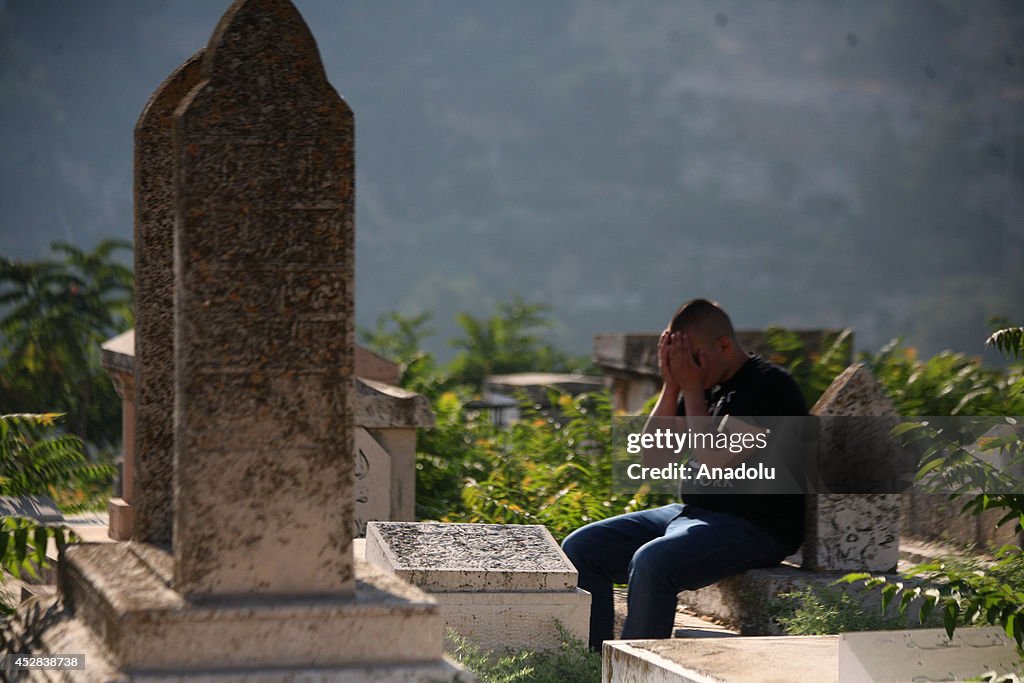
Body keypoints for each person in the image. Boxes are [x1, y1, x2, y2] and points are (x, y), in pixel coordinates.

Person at [561, 298, 808, 650]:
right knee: (583, 548)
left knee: (653, 564)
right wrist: (672, 385)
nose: (686, 368)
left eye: (691, 359)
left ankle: (638, 670)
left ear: (723, 345)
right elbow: (654, 459)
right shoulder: (702, 382)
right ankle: (593, 665)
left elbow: (712, 457)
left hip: (757, 527)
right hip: (695, 515)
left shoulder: (769, 386)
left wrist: (691, 388)